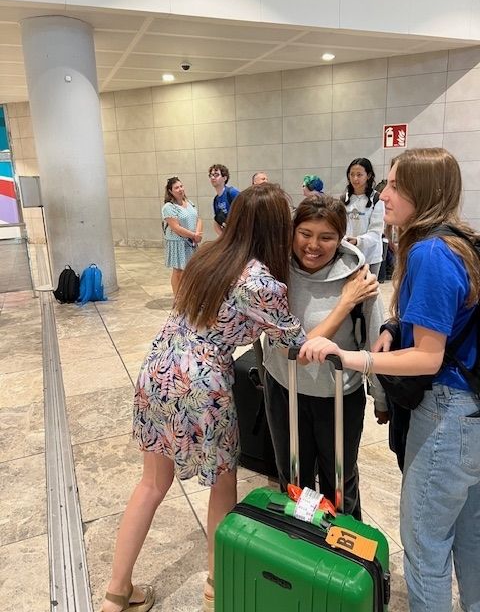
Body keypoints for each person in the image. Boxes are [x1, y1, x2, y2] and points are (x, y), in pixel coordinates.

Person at [100, 183, 334, 612]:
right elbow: (299, 348)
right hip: (202, 378)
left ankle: (117, 592)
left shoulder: (209, 256)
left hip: (159, 363)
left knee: (152, 483)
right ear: (279, 229)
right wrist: (348, 299)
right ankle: (216, 583)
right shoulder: (261, 282)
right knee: (222, 481)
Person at [300, 148, 480, 612]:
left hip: (449, 414)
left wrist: (351, 357)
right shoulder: (461, 241)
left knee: (425, 547)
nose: (385, 193)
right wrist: (393, 327)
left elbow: (427, 357)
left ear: (425, 192)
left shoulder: (430, 252)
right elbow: (445, 324)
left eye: (396, 185)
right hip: (472, 416)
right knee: (469, 539)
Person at [263, 195, 388, 519]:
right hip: (284, 390)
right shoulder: (275, 274)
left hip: (337, 396)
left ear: (341, 238)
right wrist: (343, 304)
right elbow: (291, 348)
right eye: (305, 233)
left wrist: (381, 396)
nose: (313, 245)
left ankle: (347, 553)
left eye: (326, 237)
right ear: (292, 231)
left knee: (340, 480)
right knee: (293, 478)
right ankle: (300, 546)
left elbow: (376, 342)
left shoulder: (358, 278)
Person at [342, 158, 385, 276]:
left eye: (359, 175)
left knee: (369, 291)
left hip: (370, 256)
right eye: (352, 174)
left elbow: (376, 232)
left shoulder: (377, 199)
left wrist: (358, 240)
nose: (355, 178)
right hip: (349, 254)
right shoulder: (343, 199)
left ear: (369, 175)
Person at [162, 176, 202, 295]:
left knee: (191, 270)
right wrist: (193, 235)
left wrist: (197, 234)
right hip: (178, 243)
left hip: (191, 242)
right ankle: (178, 299)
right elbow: (176, 228)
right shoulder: (169, 207)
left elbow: (198, 218)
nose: (180, 189)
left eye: (181, 186)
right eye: (176, 188)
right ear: (170, 191)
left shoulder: (189, 203)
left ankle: (188, 296)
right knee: (179, 271)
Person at [209, 163, 239, 235]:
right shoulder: (216, 200)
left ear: (224, 178)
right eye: (211, 175)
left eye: (216, 175)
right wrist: (223, 237)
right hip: (228, 235)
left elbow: (246, 213)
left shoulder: (232, 192)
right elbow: (217, 221)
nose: (213, 178)